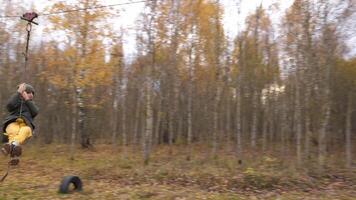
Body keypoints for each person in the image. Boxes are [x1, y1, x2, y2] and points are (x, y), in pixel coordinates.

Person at [1, 83, 39, 165]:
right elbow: (9, 106)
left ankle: (9, 147)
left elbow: (35, 112)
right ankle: (14, 156)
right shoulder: (16, 101)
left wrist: (27, 100)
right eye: (29, 92)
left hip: (26, 125)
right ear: (23, 92)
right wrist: (18, 93)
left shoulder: (31, 104)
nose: (31, 94)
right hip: (12, 123)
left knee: (26, 130)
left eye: (33, 93)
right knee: (14, 132)